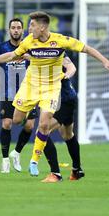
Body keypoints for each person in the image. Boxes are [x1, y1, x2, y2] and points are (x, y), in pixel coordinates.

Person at [0, 11, 109, 179]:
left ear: (42, 27)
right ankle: (62, 164)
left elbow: (86, 48)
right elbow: (11, 55)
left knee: (43, 125)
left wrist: (105, 61)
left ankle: (35, 161)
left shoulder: (60, 40)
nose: (29, 29)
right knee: (16, 120)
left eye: (32, 25)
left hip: (50, 88)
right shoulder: (29, 41)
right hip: (30, 86)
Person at [0, 18, 37, 173]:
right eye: (13, 27)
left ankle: (16, 153)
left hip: (27, 92)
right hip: (7, 92)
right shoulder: (1, 47)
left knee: (29, 126)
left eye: (18, 28)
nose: (16, 30)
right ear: (9, 30)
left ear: (22, 31)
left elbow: (39, 62)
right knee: (7, 124)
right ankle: (5, 160)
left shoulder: (29, 47)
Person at [41, 54, 85, 183]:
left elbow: (72, 68)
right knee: (67, 135)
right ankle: (77, 170)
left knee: (43, 131)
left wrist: (66, 74)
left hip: (63, 100)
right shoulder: (32, 51)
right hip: (61, 99)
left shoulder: (55, 50)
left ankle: (55, 174)